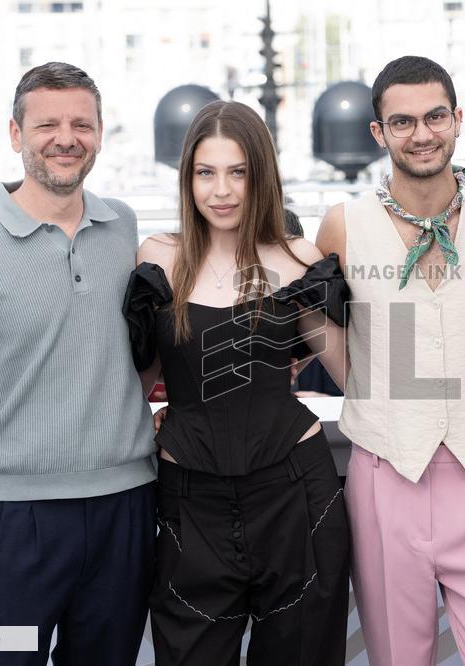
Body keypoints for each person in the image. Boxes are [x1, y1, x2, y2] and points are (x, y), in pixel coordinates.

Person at [0, 62, 157, 664]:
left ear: (99, 134)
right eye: (47, 124)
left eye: (82, 124)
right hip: (16, 521)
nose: (66, 138)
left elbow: (132, 351)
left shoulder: (123, 227)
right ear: (15, 134)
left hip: (127, 506)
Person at [316, 55, 465, 665]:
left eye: (435, 116)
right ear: (378, 133)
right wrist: (369, 393)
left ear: (458, 119)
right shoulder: (341, 227)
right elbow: (322, 324)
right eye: (402, 121)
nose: (422, 134)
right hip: (385, 478)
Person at [125, 100, 351, 665]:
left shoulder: (299, 259)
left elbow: (355, 375)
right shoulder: (158, 259)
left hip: (296, 496)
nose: (221, 190)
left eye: (238, 172)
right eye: (206, 172)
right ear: (187, 178)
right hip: (189, 502)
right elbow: (134, 382)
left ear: (262, 176)